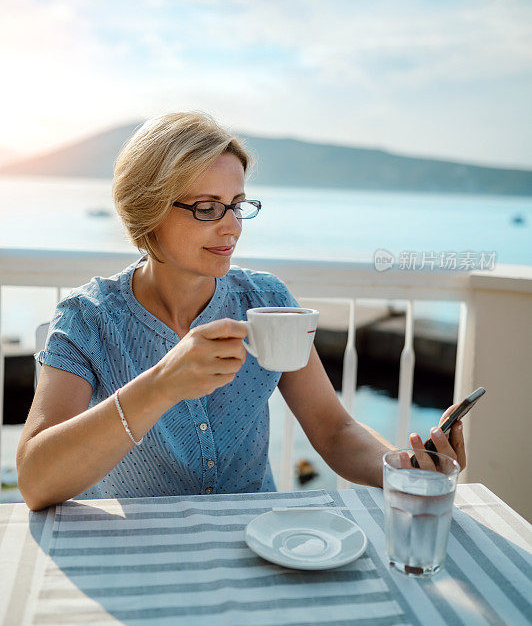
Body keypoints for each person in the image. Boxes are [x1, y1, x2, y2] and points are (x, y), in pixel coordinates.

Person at [16, 112, 466, 511]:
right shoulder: (88, 318)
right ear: (147, 208)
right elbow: (37, 481)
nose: (232, 227)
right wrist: (160, 385)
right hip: (137, 553)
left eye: (236, 206)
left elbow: (334, 429)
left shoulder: (266, 301)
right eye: (207, 208)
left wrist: (404, 471)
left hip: (262, 543)